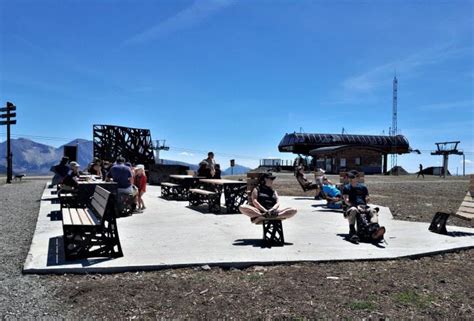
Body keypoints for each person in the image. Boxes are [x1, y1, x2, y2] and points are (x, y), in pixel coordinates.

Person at [342, 171, 385, 244]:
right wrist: (355, 206)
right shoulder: (346, 187)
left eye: (352, 177)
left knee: (373, 210)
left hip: (363, 206)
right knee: (353, 210)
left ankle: (375, 230)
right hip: (352, 207)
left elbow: (367, 198)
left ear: (357, 178)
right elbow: (346, 201)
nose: (350, 179)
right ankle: (352, 232)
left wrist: (367, 200)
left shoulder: (363, 187)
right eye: (349, 177)